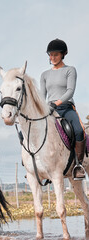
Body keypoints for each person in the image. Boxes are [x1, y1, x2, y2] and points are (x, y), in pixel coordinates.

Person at [40, 38, 87, 180]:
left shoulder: (70, 70)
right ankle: (34, 163)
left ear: (63, 54)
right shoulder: (44, 75)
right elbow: (42, 96)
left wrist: (57, 103)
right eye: (50, 54)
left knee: (79, 130)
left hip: (66, 108)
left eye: (56, 54)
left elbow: (70, 91)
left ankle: (78, 165)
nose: (52, 57)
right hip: (49, 110)